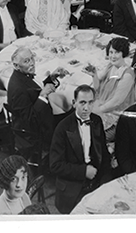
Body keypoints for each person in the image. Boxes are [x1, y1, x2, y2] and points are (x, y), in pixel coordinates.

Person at [50, 85, 112, 214]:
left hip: (95, 180)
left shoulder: (96, 121)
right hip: (72, 186)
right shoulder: (62, 127)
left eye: (90, 103)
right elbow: (55, 165)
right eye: (82, 102)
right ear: (74, 103)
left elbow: (103, 154)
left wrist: (105, 181)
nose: (86, 108)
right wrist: (83, 171)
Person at [7, 47, 58, 166]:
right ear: (16, 65)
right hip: (33, 131)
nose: (32, 63)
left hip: (38, 117)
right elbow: (30, 120)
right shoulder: (18, 88)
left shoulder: (22, 75)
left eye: (32, 59)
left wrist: (51, 78)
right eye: (26, 61)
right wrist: (43, 95)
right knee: (69, 118)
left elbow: (33, 89)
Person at [83, 37, 135, 139]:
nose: (113, 56)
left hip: (115, 119)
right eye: (111, 52)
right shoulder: (110, 66)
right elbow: (98, 88)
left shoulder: (127, 75)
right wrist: (94, 75)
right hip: (102, 110)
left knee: (87, 135)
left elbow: (116, 102)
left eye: (116, 52)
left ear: (123, 53)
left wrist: (96, 111)